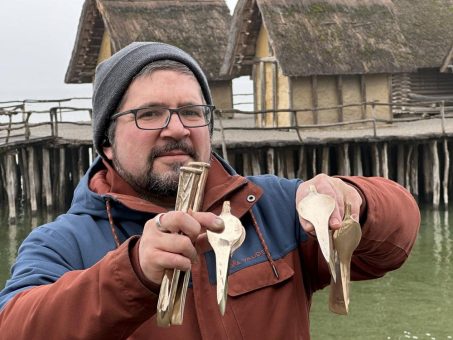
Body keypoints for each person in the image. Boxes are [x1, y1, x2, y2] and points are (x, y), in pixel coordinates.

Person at [0, 42, 420, 339]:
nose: (177, 128)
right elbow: (14, 327)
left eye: (191, 112)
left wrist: (357, 202)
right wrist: (131, 274)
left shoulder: (269, 206)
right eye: (150, 114)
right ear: (106, 141)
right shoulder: (62, 243)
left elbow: (395, 242)